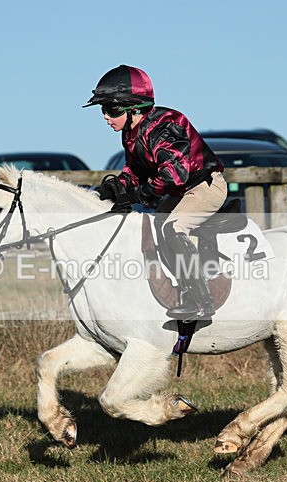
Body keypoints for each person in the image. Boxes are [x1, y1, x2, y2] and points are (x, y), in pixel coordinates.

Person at [84, 65, 227, 320]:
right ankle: (179, 287)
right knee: (157, 227)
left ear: (134, 109)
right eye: (103, 110)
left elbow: (174, 175)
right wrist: (117, 187)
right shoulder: (131, 133)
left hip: (204, 186)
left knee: (172, 228)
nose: (106, 116)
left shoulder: (167, 125)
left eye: (111, 110)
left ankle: (200, 301)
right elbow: (135, 171)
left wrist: (137, 195)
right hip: (182, 190)